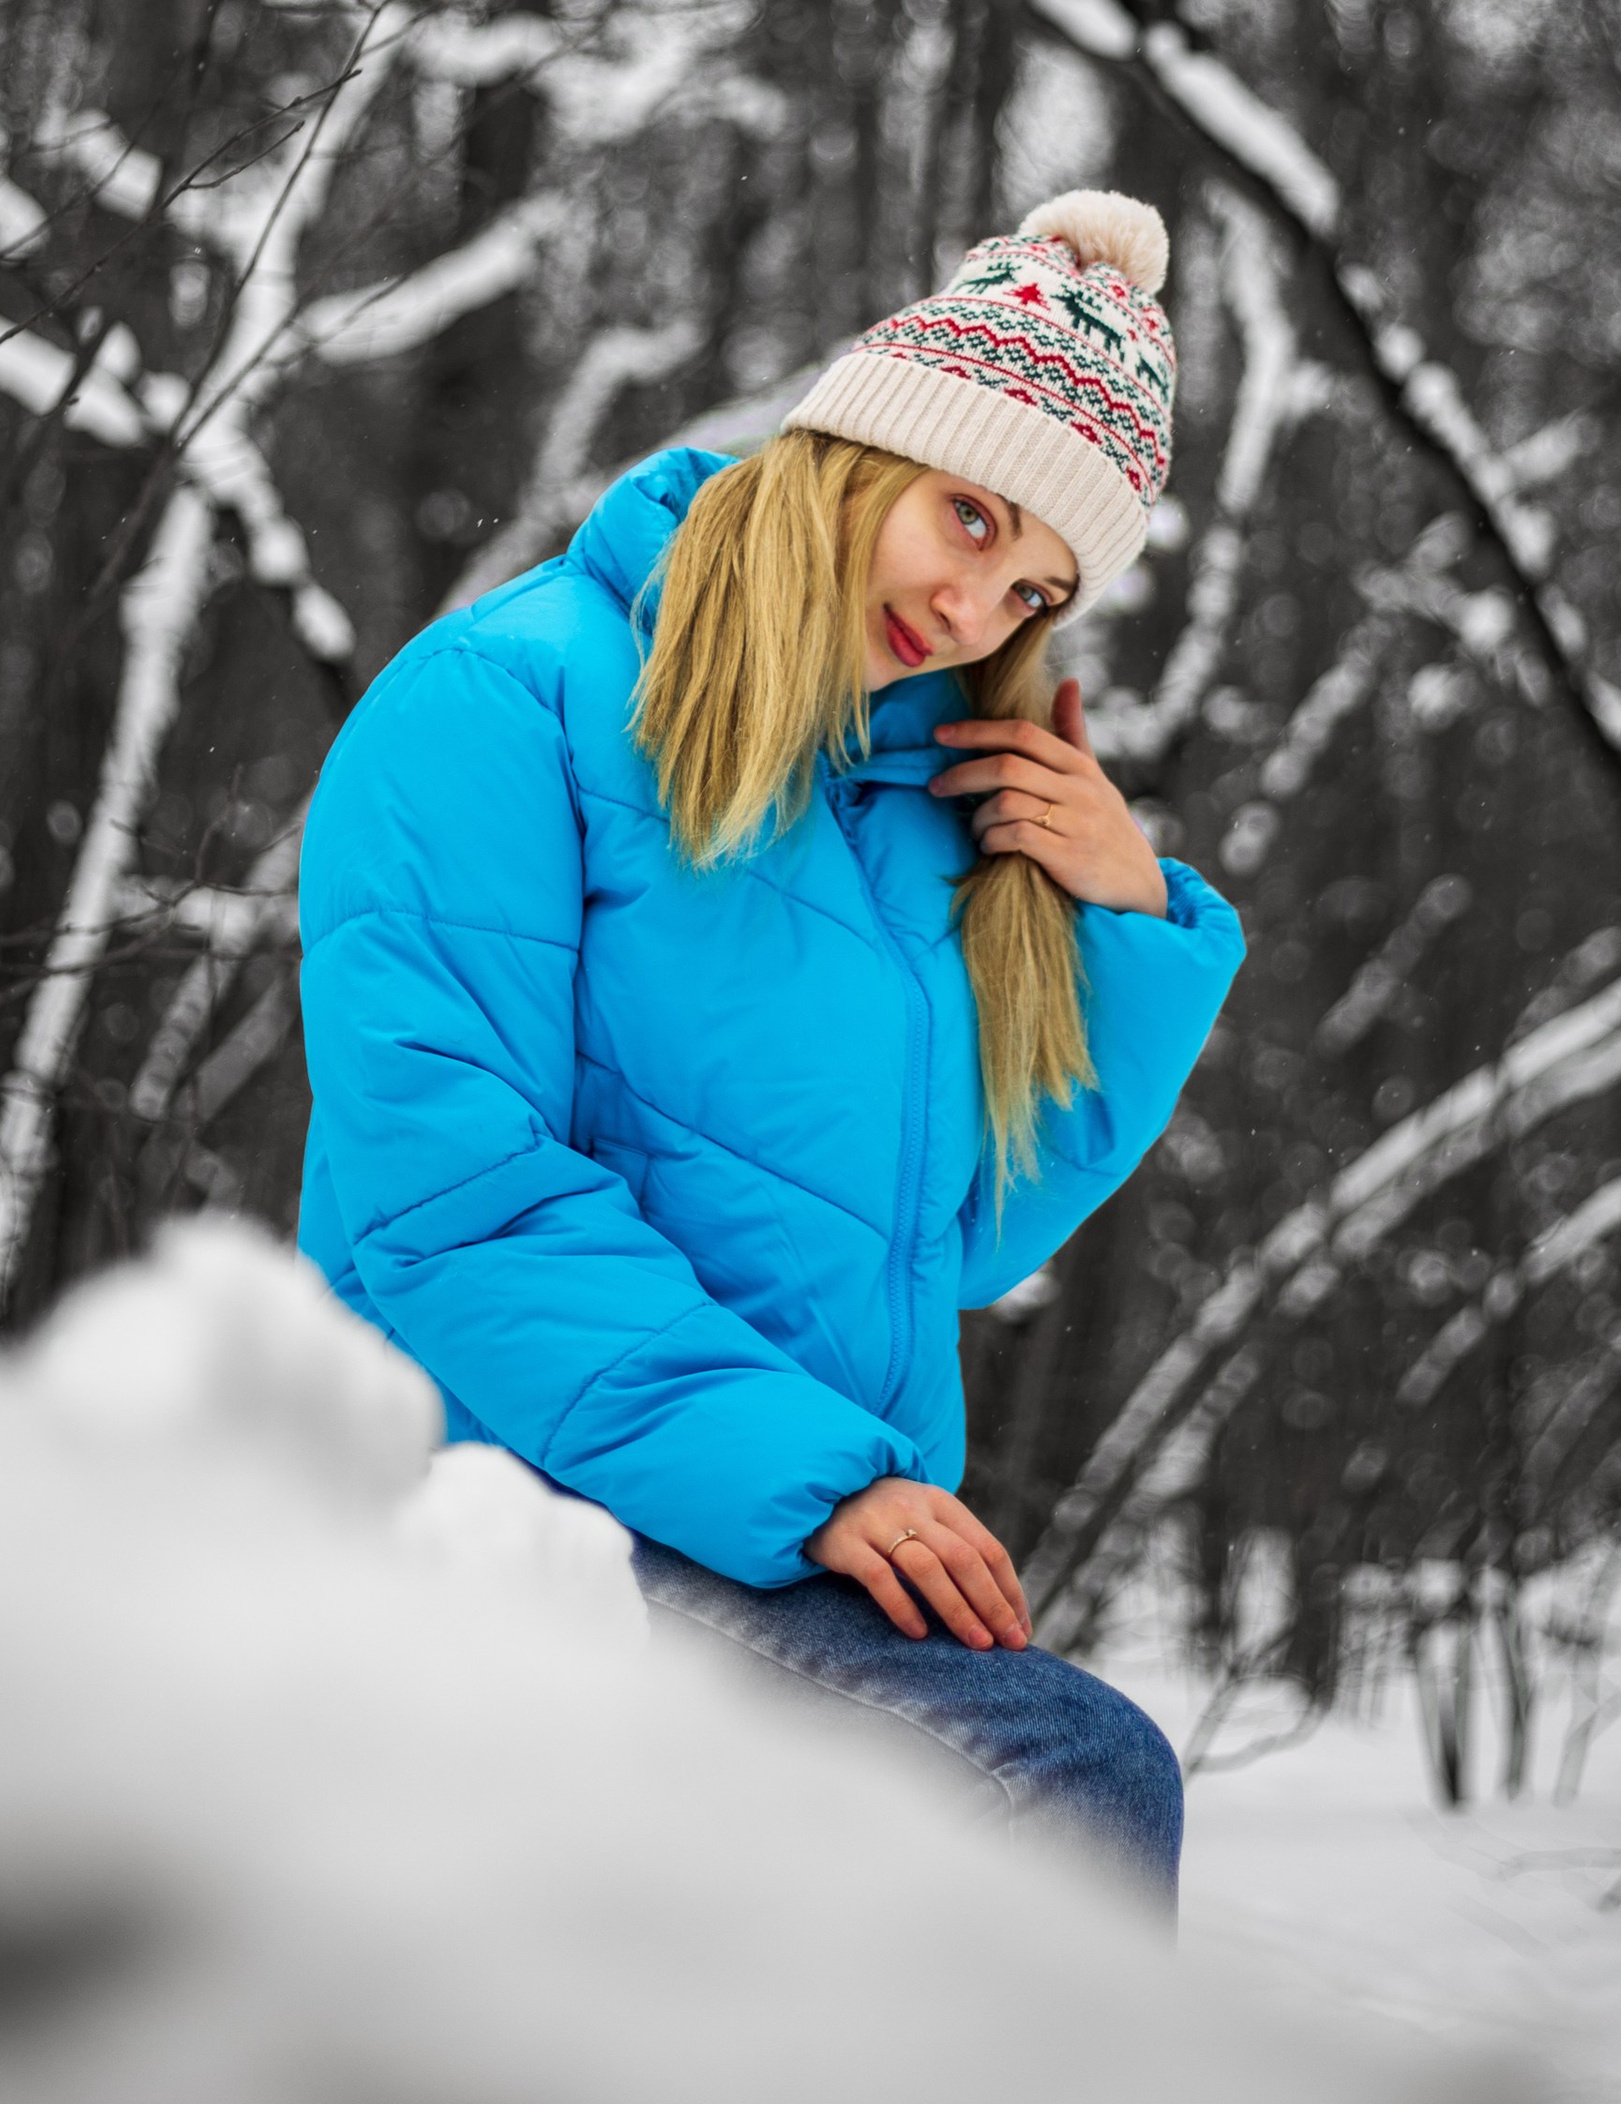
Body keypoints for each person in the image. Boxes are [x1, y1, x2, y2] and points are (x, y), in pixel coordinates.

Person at [297, 193, 1245, 1910]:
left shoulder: (928, 797)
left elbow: (962, 1236)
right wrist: (812, 1485)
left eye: (1035, 581)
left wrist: (1119, 926)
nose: (976, 605)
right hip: (517, 1493)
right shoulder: (503, 701)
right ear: (855, 444)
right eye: (968, 515)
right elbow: (447, 1195)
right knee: (1066, 1775)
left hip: (770, 1525)